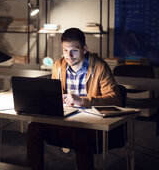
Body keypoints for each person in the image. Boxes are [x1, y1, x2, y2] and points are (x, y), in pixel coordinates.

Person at [27, 27, 121, 170]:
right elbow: (54, 95)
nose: (69, 55)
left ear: (84, 48)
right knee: (34, 128)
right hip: (64, 119)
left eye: (74, 50)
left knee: (80, 132)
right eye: (65, 50)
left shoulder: (99, 66)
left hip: (90, 122)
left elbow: (115, 98)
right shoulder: (58, 65)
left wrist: (83, 101)